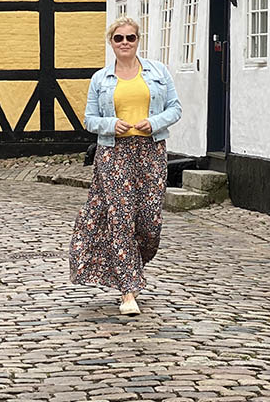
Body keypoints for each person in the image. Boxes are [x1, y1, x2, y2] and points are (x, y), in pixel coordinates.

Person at [69, 16, 182, 316]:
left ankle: (130, 264)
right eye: (119, 38)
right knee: (120, 218)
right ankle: (128, 291)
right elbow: (89, 119)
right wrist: (110, 125)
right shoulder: (100, 79)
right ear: (111, 42)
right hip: (114, 154)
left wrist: (153, 122)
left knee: (149, 222)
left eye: (130, 38)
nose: (125, 43)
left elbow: (175, 108)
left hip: (152, 151)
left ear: (137, 40)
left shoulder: (158, 73)